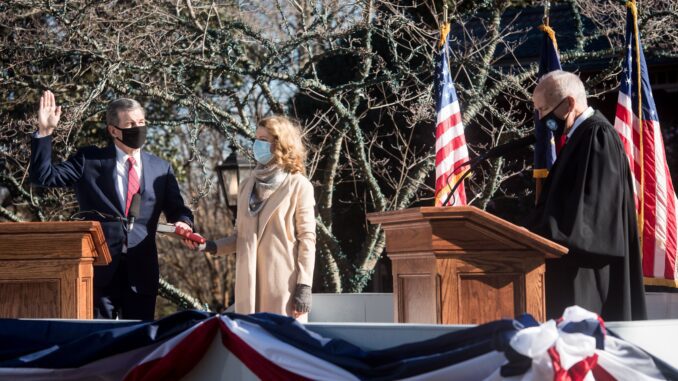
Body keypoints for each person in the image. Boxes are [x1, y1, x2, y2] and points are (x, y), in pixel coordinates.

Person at [30, 90, 194, 321]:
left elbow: (178, 209)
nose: (138, 128)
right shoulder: (89, 160)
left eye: (141, 122)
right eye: (130, 124)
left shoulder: (161, 168)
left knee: (138, 342)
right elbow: (44, 176)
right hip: (98, 270)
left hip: (141, 271)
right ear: (113, 130)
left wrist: (183, 222)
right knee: (100, 339)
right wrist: (45, 132)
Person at [529, 70, 646, 321]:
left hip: (587, 278)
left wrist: (540, 234)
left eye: (545, 110)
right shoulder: (577, 139)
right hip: (568, 272)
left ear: (569, 103)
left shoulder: (598, 137)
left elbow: (593, 220)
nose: (541, 119)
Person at [193, 116, 316, 321]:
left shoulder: (299, 185)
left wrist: (304, 286)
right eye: (256, 138)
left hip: (282, 287)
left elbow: (307, 240)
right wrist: (208, 245)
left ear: (280, 143)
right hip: (247, 287)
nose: (256, 144)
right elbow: (239, 237)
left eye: (263, 139)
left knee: (281, 348)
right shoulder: (246, 186)